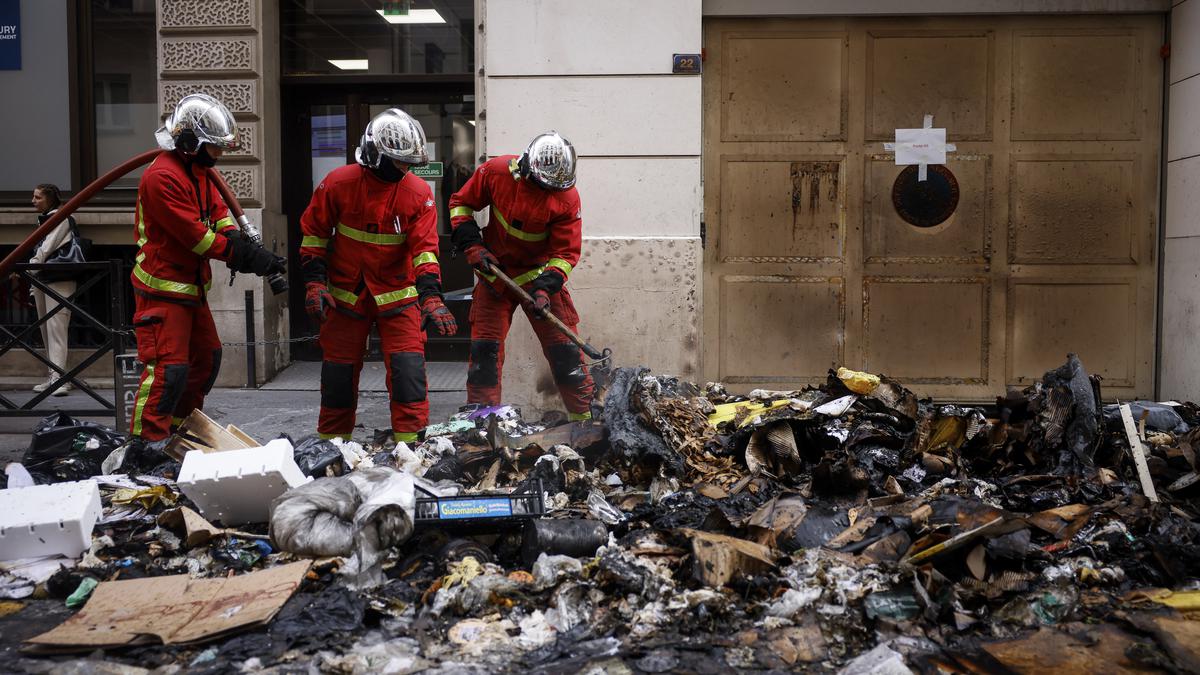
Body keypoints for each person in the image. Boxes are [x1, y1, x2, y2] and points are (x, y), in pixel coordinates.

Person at [128, 93, 285, 442]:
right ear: (188, 142)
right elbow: (198, 239)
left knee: (207, 359)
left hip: (190, 288)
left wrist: (242, 244)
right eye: (213, 147)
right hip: (162, 288)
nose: (219, 154)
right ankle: (144, 445)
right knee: (168, 370)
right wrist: (247, 257)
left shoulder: (200, 172)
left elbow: (217, 217)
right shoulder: (162, 178)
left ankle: (180, 431)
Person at [299, 108, 456, 444]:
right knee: (338, 376)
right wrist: (314, 281)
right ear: (375, 155)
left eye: (408, 163)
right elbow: (314, 234)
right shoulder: (338, 184)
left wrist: (431, 296)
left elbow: (425, 250)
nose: (405, 170)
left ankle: (410, 449)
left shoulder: (418, 194)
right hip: (346, 296)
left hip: (399, 296)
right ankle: (332, 448)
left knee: (408, 374)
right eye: (399, 162)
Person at [448, 131, 594, 421]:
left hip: (540, 278)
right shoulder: (496, 172)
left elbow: (565, 254)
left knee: (566, 354)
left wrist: (544, 288)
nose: (547, 193)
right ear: (528, 169)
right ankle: (483, 425)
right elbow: (460, 205)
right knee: (484, 355)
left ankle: (587, 425)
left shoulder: (566, 198)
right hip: (496, 276)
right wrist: (472, 244)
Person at [27, 183, 77, 396]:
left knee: (56, 329)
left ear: (50, 199)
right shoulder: (47, 218)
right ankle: (55, 376)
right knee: (48, 329)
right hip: (44, 277)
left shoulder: (61, 217)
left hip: (57, 278)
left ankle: (59, 380)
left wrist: (30, 267)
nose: (33, 201)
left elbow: (47, 248)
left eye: (38, 197)